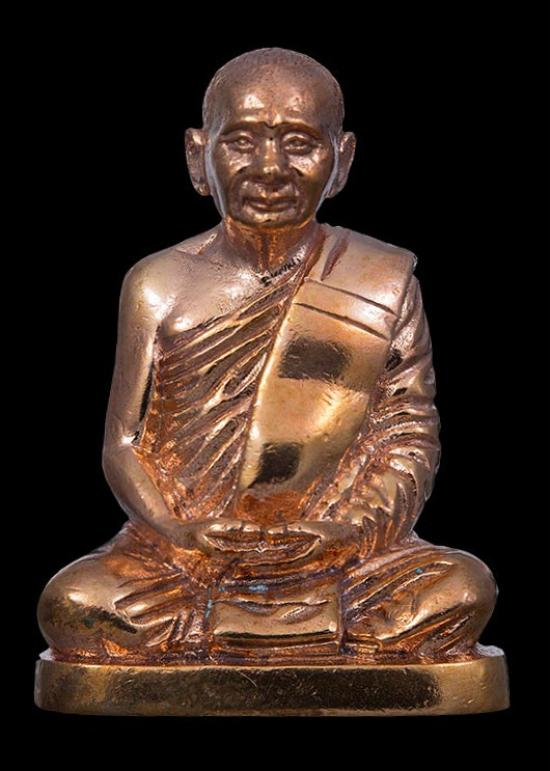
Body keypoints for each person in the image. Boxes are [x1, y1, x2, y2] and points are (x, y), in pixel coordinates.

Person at [37, 48, 497, 664]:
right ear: (198, 155)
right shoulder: (157, 285)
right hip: (186, 561)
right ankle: (294, 628)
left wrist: (345, 534)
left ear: (342, 161)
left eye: (300, 143)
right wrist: (178, 531)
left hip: (339, 557)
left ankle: (232, 629)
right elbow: (124, 444)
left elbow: (408, 434)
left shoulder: (379, 281)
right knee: (74, 603)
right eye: (242, 141)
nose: (271, 169)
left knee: (464, 586)